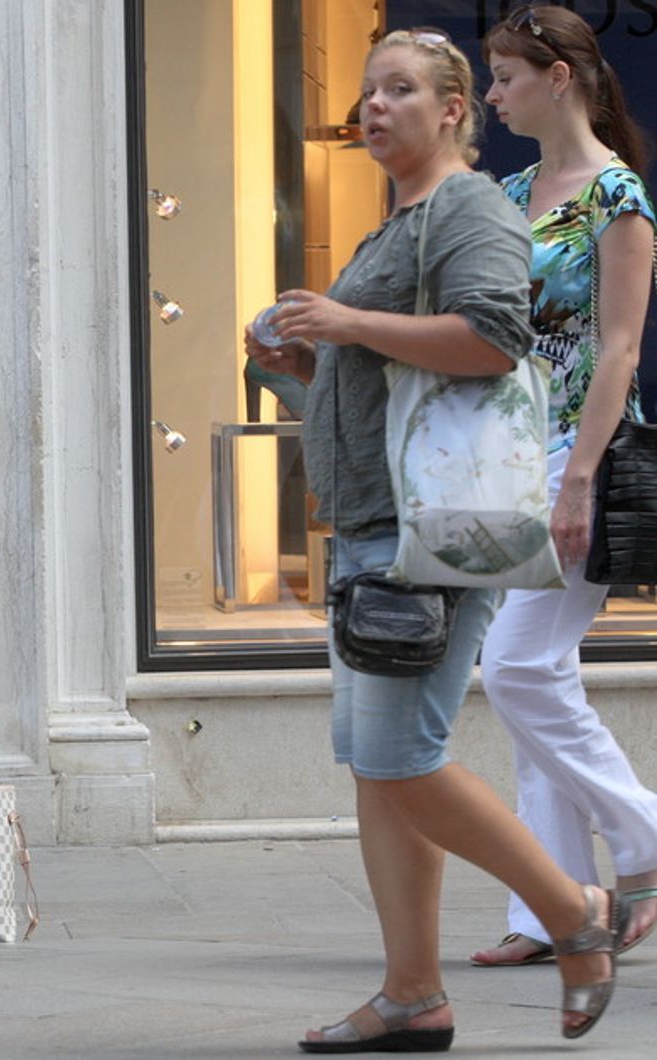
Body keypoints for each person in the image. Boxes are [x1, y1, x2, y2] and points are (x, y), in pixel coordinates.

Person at [245, 28, 630, 1050]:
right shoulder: (400, 223)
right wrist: (298, 358)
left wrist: (349, 323)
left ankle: (576, 909)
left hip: (430, 536)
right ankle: (413, 993)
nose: (375, 106)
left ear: (453, 110)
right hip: (378, 524)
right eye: (368, 92)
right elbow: (385, 384)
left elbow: (494, 339)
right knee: (377, 767)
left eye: (401, 90)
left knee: (401, 755)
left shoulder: (467, 208)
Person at [466, 4, 657, 970]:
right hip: (506, 454)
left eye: (503, 77)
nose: (491, 95)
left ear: (559, 78)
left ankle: (646, 839)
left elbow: (619, 351)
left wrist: (577, 477)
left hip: (573, 454)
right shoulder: (507, 190)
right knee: (534, 680)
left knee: (517, 669)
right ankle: (549, 910)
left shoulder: (618, 198)